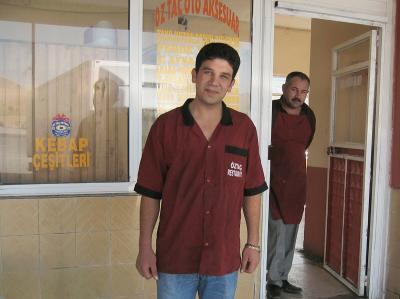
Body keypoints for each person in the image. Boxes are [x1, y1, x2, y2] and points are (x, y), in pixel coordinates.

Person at [135, 42, 268, 299]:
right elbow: (151, 193)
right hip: (175, 258)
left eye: (224, 76)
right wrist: (144, 247)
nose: (214, 82)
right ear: (195, 75)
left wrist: (253, 243)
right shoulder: (165, 127)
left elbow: (251, 191)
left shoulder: (244, 129)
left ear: (231, 85)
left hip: (223, 259)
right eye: (207, 72)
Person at [267, 71, 316, 299]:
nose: (299, 95)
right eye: (295, 89)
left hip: (296, 182)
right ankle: (271, 280)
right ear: (285, 88)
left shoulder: (309, 116)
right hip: (272, 179)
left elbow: (306, 143)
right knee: (275, 231)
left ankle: (283, 278)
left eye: (304, 91)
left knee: (291, 231)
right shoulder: (270, 111)